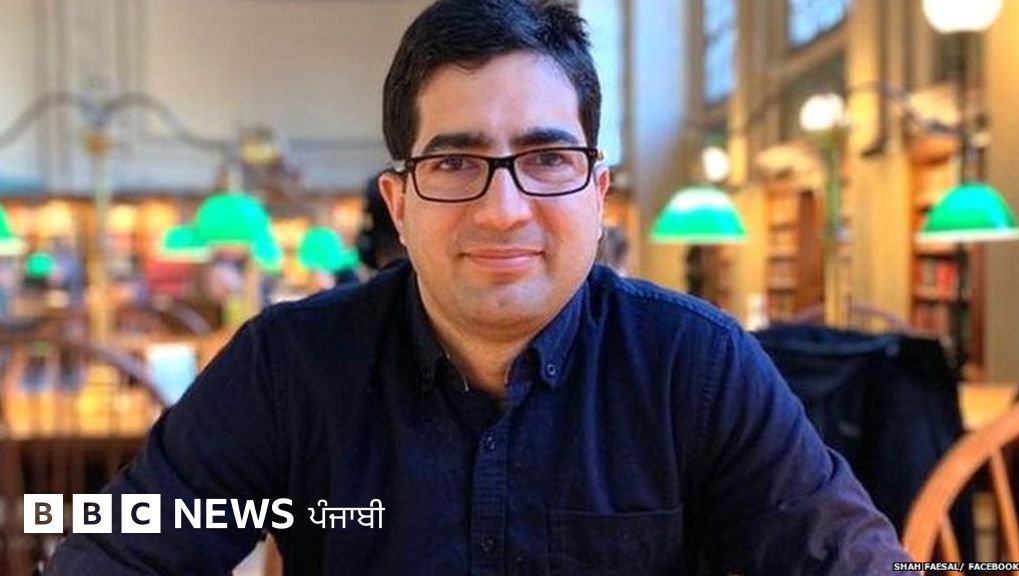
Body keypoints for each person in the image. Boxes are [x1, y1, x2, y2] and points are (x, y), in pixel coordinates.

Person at [46, 1, 911, 574]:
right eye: (455, 163)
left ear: (598, 193)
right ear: (400, 203)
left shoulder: (697, 364)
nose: (504, 210)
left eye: (547, 159)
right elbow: (114, 553)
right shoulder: (289, 366)